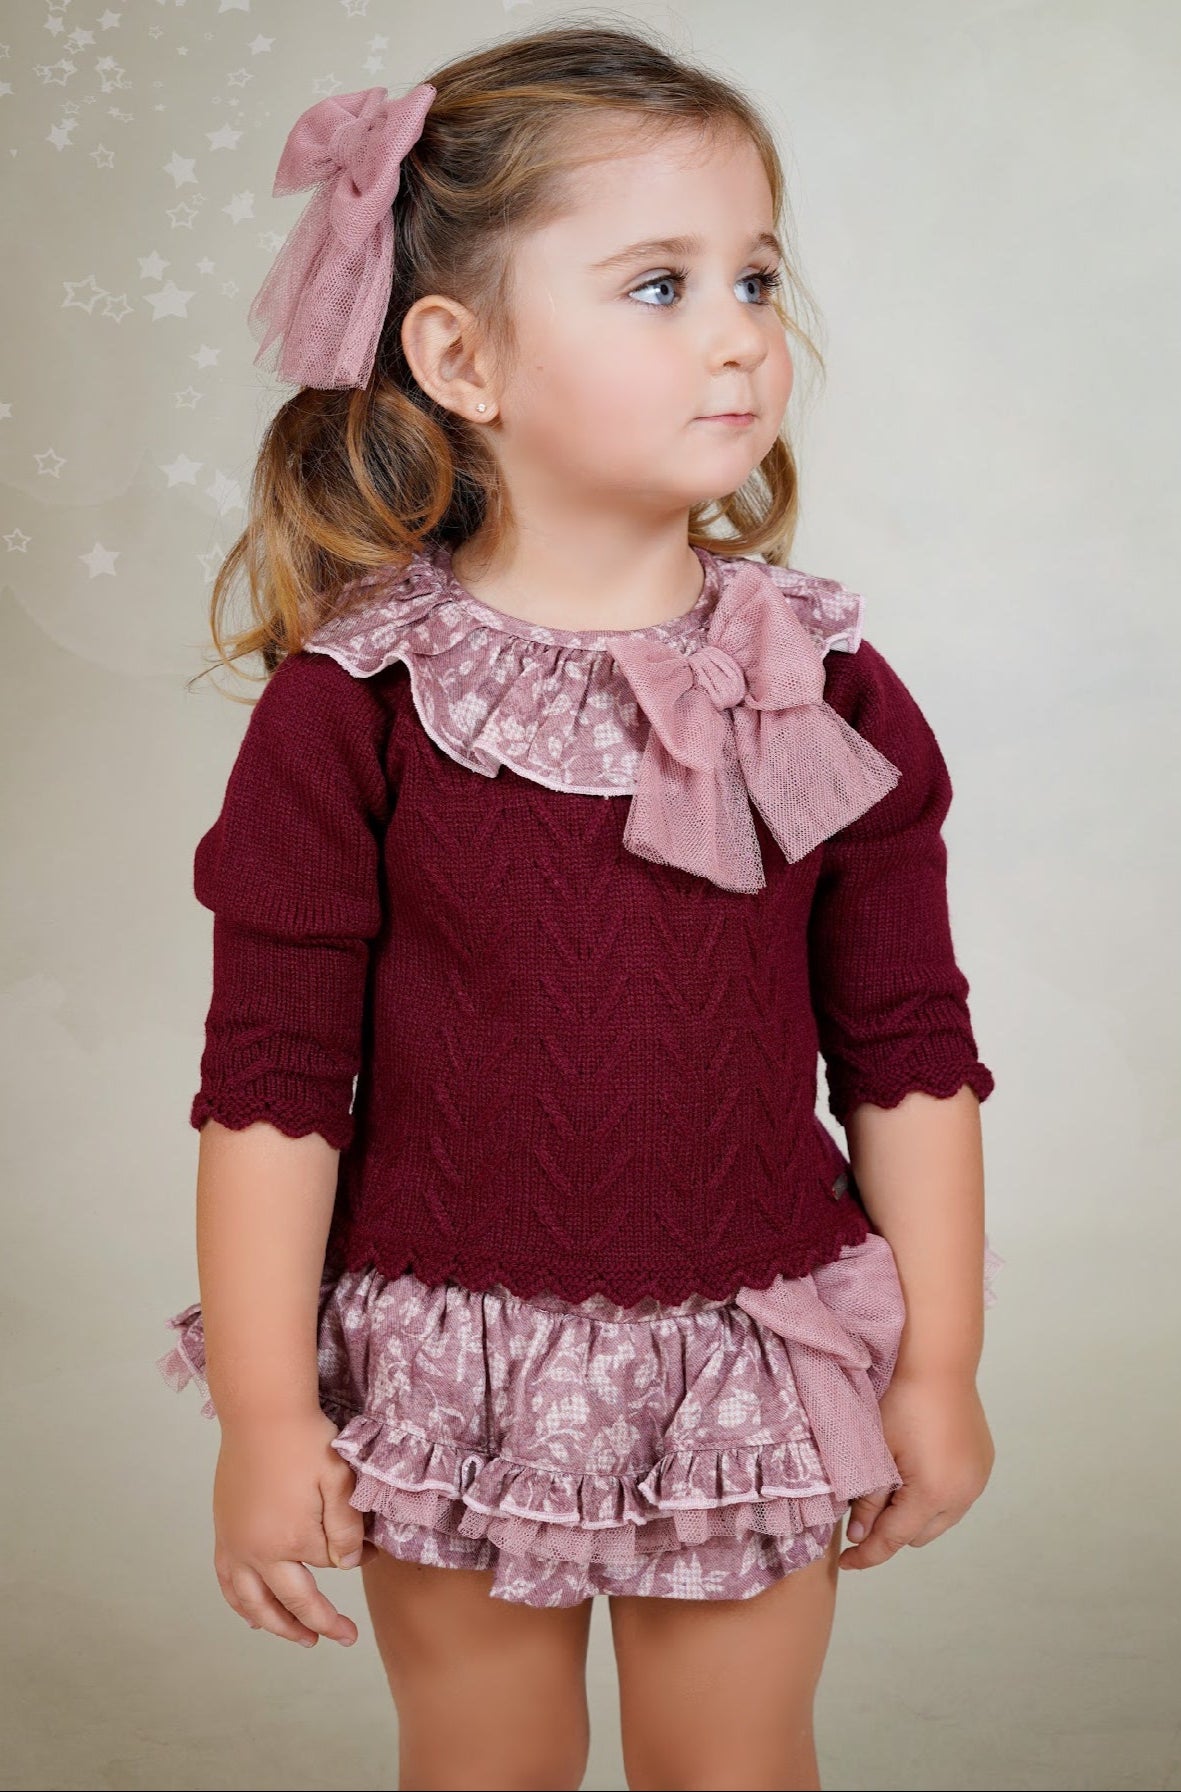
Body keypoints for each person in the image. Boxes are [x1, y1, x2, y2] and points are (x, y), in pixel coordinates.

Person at [156, 23, 1000, 1792]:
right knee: (480, 1768)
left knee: (738, 1767)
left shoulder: (821, 682)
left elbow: (908, 1049)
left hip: (743, 1361)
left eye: (754, 274)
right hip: (452, 1371)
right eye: (657, 284)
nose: (739, 331)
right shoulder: (360, 703)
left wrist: (936, 1365)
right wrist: (262, 1415)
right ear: (458, 353)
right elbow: (272, 1084)